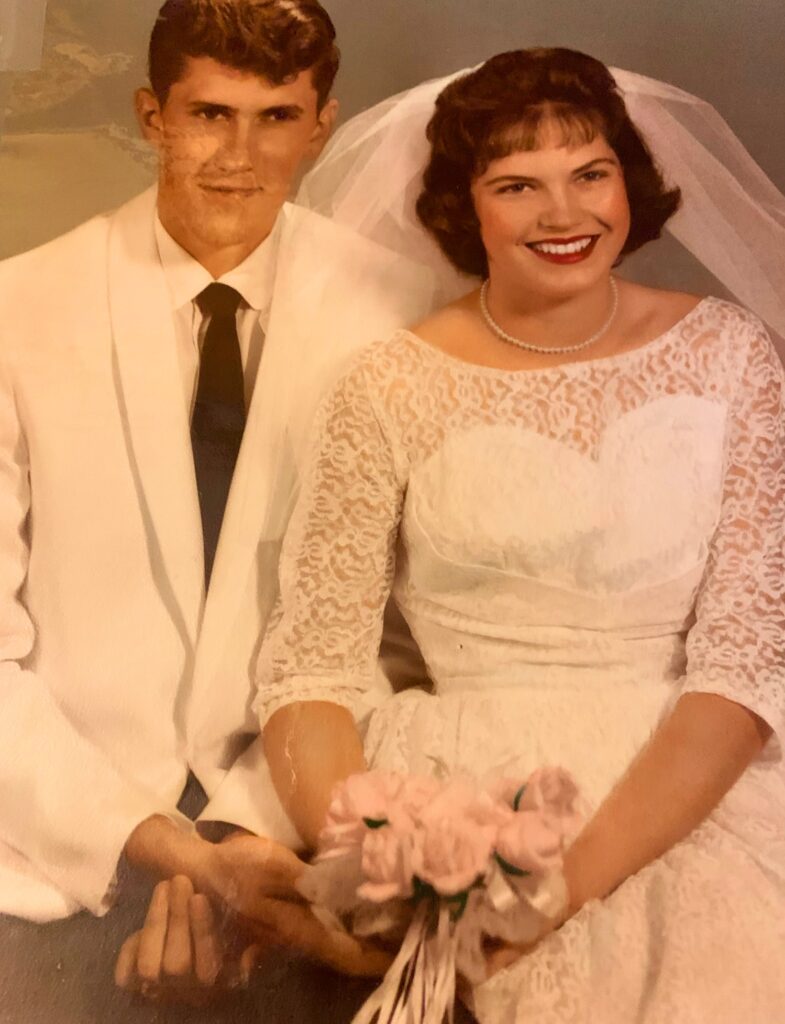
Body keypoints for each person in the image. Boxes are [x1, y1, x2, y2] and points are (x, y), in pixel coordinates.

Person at [249, 48, 785, 1021]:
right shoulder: (384, 387)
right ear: (464, 206)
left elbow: (743, 671)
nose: (563, 213)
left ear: (630, 179)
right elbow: (311, 672)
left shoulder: (731, 353)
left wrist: (558, 892)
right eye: (516, 185)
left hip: (693, 781)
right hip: (464, 787)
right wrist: (374, 847)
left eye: (590, 173)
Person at [0, 0, 435, 1015]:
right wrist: (150, 845)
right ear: (152, 115)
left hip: (299, 848)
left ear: (322, 126)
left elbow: (410, 638)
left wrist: (241, 837)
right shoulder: (16, 310)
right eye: (209, 115)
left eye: (276, 118)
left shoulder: (407, 310)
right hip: (50, 856)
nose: (240, 156)